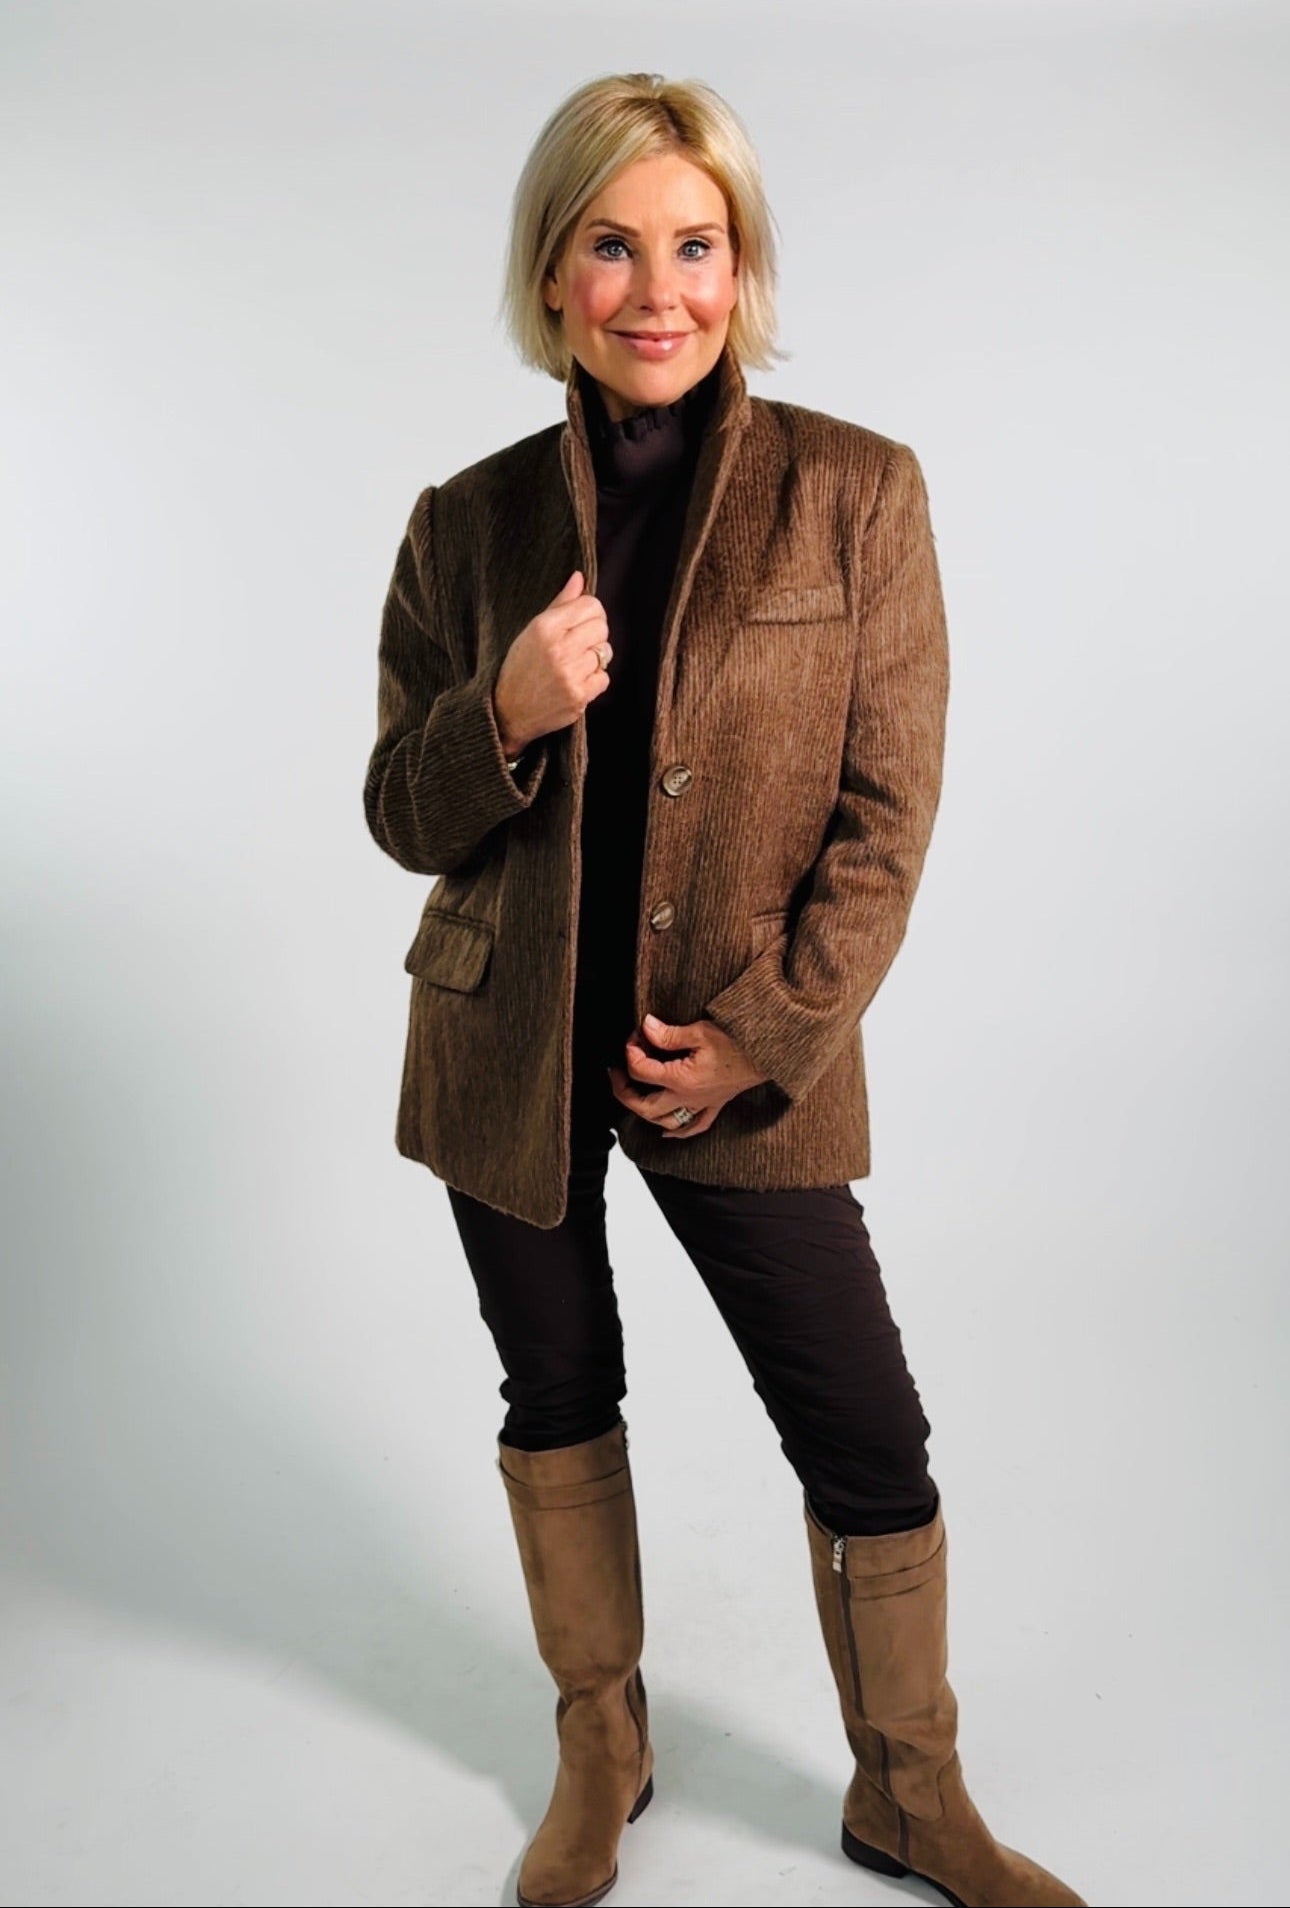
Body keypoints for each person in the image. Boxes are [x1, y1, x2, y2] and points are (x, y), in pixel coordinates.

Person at [363, 70, 1085, 1908]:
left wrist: (757, 1036)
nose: (656, 289)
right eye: (612, 246)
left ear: (742, 268)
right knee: (555, 1388)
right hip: (506, 1047)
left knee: (863, 1430)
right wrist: (502, 710)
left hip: (741, 1055)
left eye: (696, 245)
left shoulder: (854, 493)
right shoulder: (463, 524)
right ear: (552, 272)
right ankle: (599, 1744)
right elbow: (397, 813)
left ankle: (908, 1791)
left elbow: (886, 817)